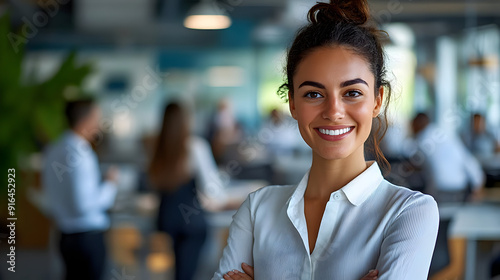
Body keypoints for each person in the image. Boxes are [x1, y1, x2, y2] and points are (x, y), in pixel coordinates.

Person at [212, 1, 439, 279]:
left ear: (377, 101)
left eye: (352, 93)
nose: (333, 112)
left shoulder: (409, 213)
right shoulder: (257, 210)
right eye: (313, 94)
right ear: (292, 103)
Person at [148, 103, 240, 280]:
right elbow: (212, 190)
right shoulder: (195, 146)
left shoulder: (157, 147)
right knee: (188, 272)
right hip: (191, 223)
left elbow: (153, 181)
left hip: (166, 219)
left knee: (180, 270)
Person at [42, 99, 118, 280]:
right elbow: (83, 204)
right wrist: (110, 184)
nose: (99, 125)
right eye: (97, 119)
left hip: (64, 235)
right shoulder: (81, 152)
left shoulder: (53, 149)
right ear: (86, 120)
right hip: (87, 238)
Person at [411, 112, 485, 203]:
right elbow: (467, 160)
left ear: (416, 124)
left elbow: (414, 165)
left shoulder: (420, 140)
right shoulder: (445, 134)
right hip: (460, 188)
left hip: (439, 191)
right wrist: (477, 185)